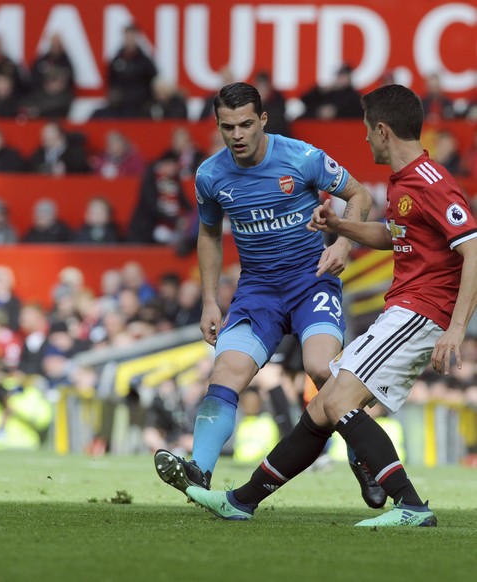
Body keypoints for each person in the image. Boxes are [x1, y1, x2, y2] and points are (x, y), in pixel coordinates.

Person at [183, 84, 477, 527]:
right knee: (322, 407)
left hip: (420, 310)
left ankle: (412, 507)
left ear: (381, 131)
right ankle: (241, 501)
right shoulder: (405, 180)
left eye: (365, 131)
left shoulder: (427, 181)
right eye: (229, 126)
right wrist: (343, 228)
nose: (363, 139)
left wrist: (456, 328)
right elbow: (394, 236)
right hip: (397, 306)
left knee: (334, 393)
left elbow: (472, 248)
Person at [153, 82, 380, 507]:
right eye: (227, 127)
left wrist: (343, 245)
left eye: (244, 124)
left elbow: (359, 196)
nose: (236, 135)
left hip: (311, 280)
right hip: (257, 290)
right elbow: (208, 234)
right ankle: (198, 473)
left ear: (262, 120)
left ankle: (365, 459)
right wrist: (208, 300)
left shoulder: (301, 157)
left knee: (323, 370)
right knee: (225, 374)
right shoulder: (210, 175)